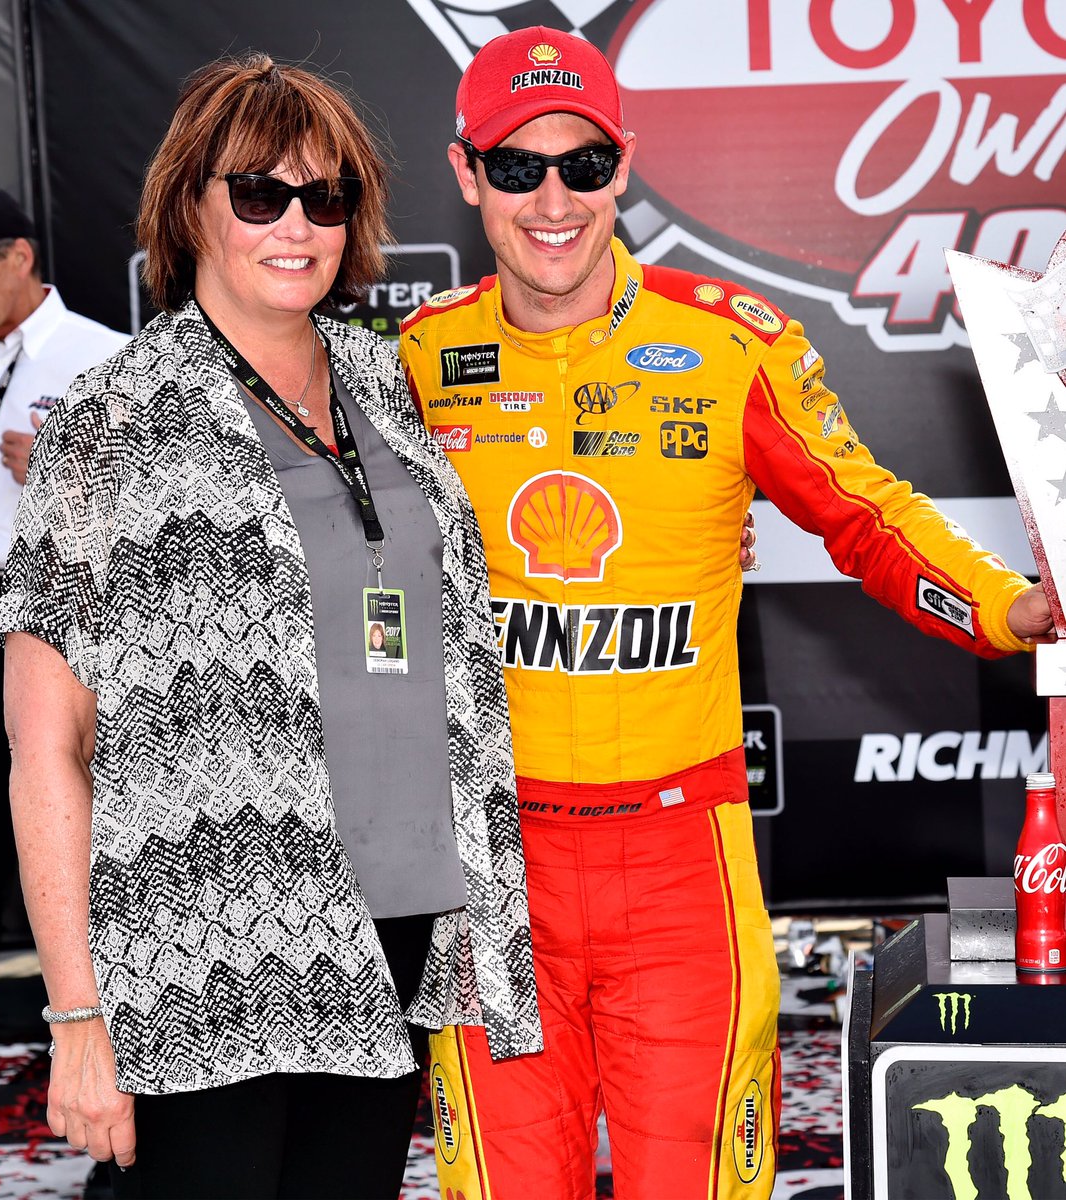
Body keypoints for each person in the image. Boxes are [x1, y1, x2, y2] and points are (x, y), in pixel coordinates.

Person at [397, 24, 1057, 1200]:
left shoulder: (727, 346)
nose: (553, 200)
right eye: (516, 167)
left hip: (678, 867)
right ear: (464, 173)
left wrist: (1011, 607)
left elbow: (865, 510)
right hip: (487, 868)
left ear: (625, 165)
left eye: (584, 166)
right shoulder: (402, 362)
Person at [0, 53, 541, 1200]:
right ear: (190, 203)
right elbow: (47, 745)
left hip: (389, 917)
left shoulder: (383, 383)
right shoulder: (109, 424)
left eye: (325, 197)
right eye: (260, 194)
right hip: (210, 946)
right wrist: (78, 1013)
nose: (297, 224)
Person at [0, 180, 129, 1197]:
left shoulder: (99, 353)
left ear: (19, 255)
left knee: (92, 883)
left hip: (61, 623)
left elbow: (163, 509)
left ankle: (125, 1135)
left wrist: (71, 467)